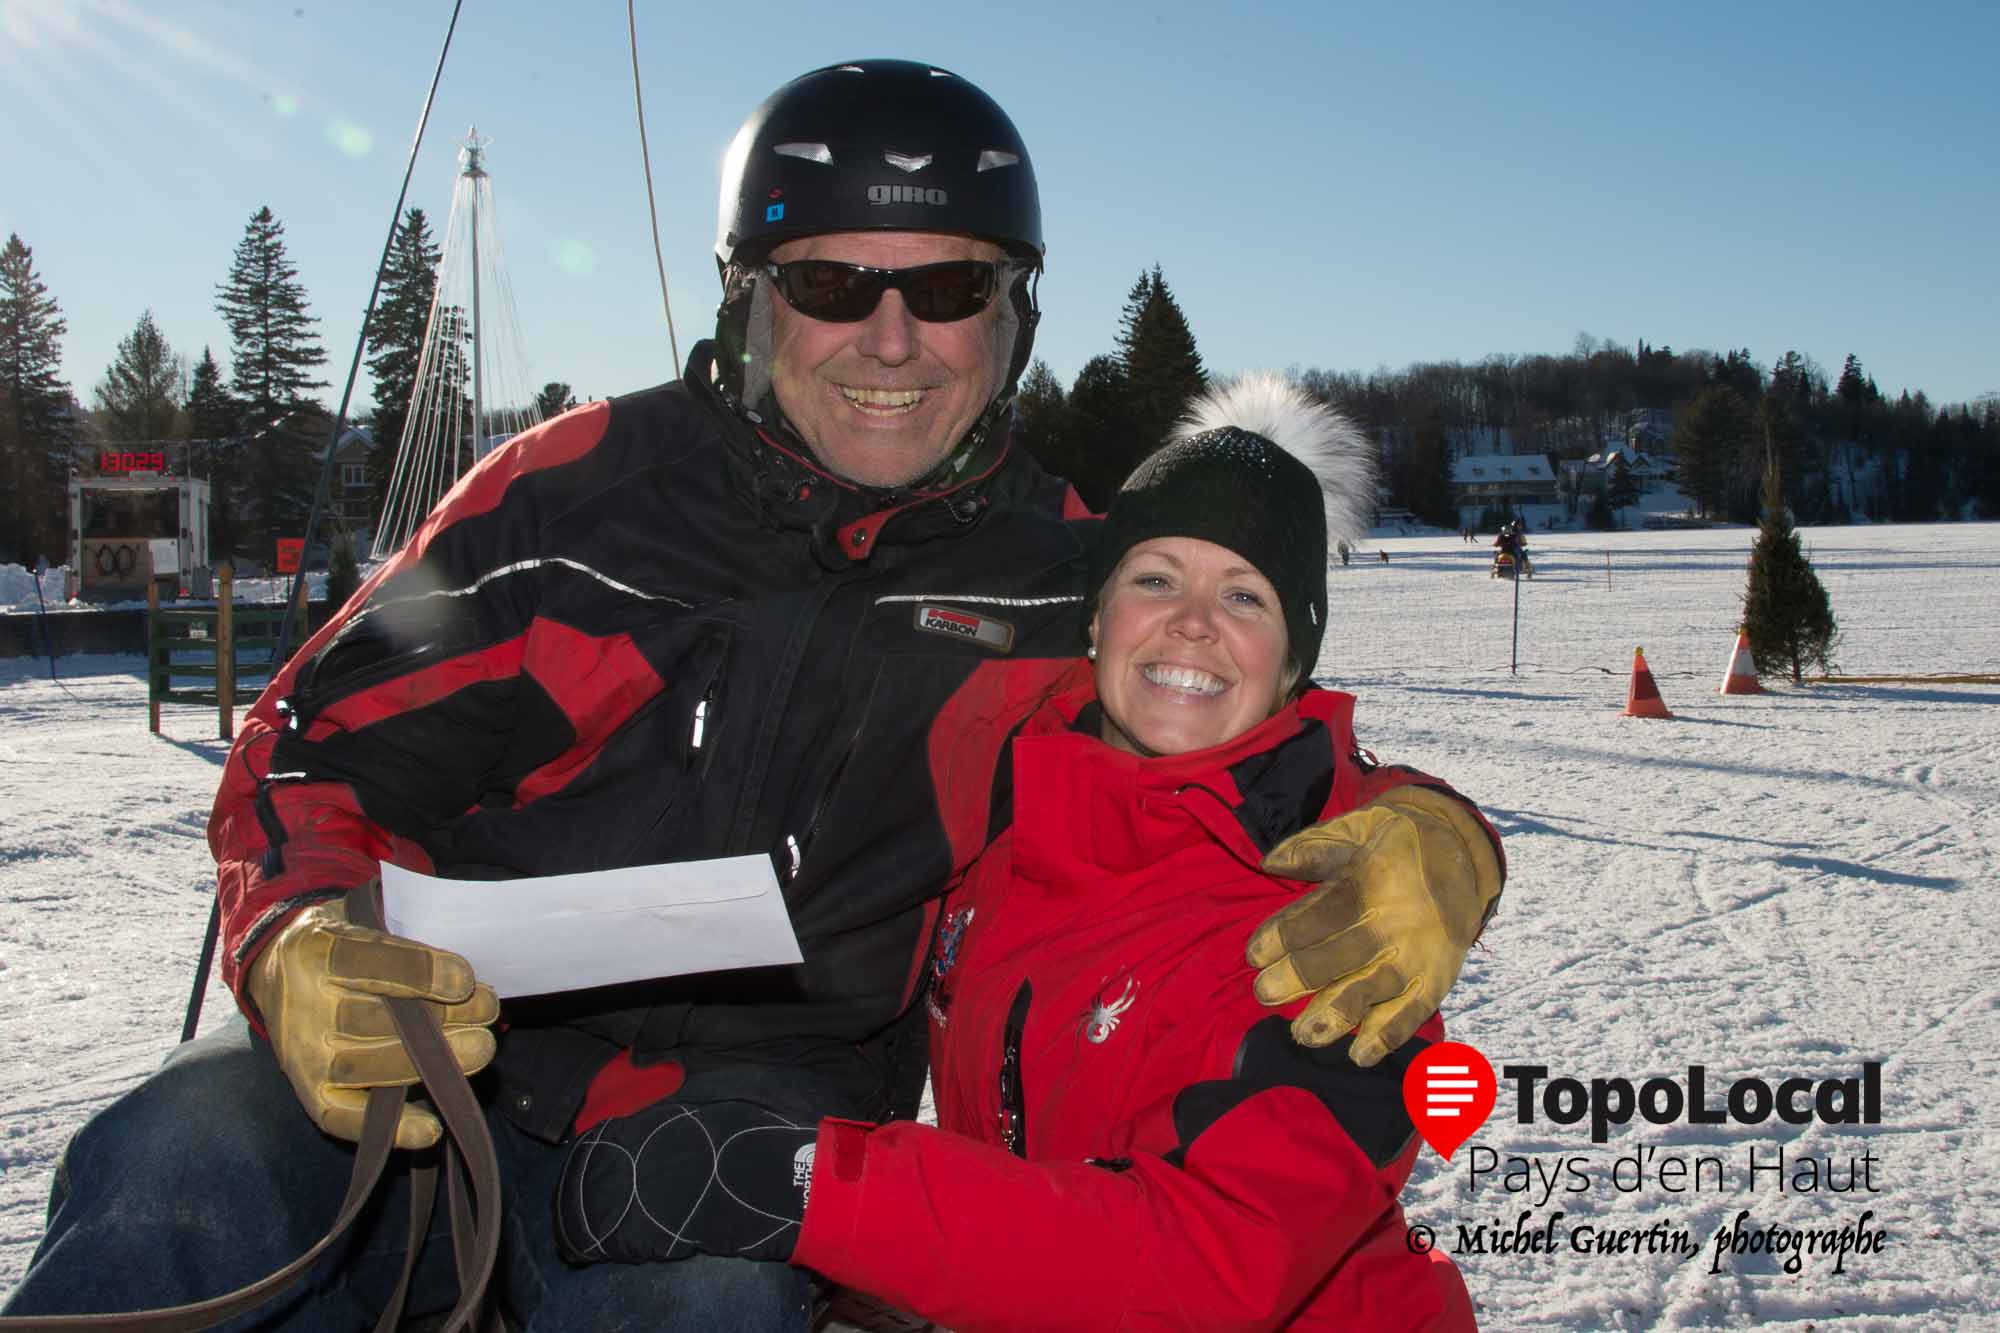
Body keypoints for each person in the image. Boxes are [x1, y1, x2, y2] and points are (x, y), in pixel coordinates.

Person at [2, 62, 1500, 1331]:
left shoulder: (1060, 574)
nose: (892, 342)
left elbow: (1216, 716)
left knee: (716, 1302)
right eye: (834, 285)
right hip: (420, 1057)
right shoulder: (570, 501)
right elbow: (315, 747)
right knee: (178, 1165)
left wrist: (1434, 835)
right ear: (750, 300)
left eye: (950, 289)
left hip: (733, 1127)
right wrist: (305, 943)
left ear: (1014, 316)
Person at [550, 377, 1491, 1330]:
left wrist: (810, 1190)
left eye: (1245, 595)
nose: (1193, 621)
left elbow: (1204, 1265)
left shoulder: (1352, 922)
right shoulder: (1006, 807)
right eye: (1155, 576)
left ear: (1295, 662)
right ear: (1096, 617)